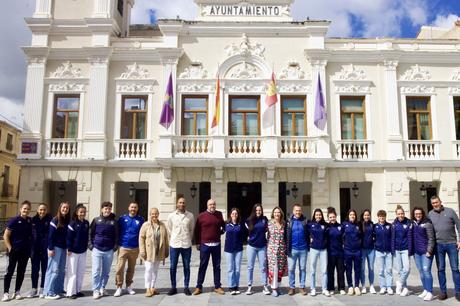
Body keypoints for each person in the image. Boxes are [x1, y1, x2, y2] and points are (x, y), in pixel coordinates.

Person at [428, 195, 460, 301]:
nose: (435, 204)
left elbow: (458, 225)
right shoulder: (430, 214)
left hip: (452, 244)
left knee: (455, 269)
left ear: (440, 201)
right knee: (441, 269)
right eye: (433, 203)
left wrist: (459, 240)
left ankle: (458, 292)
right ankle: (443, 292)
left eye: (436, 202)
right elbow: (428, 230)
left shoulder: (450, 211)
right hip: (438, 245)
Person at [193, 199, 225, 295]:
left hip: (216, 244)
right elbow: (197, 230)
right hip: (205, 245)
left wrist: (221, 232)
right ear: (207, 205)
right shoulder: (201, 216)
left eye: (214, 204)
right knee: (203, 265)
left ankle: (217, 286)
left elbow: (223, 226)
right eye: (210, 204)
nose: (212, 205)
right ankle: (199, 286)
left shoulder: (219, 214)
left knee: (217, 266)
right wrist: (198, 243)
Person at [2, 201, 33, 302]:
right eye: (24, 208)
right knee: (9, 272)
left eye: (28, 209)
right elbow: (6, 235)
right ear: (21, 209)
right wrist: (10, 248)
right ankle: (6, 293)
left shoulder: (29, 221)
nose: (26, 210)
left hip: (24, 251)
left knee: (21, 272)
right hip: (13, 251)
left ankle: (17, 292)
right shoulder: (14, 220)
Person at [114, 202, 145, 297]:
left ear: (137, 208)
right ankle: (119, 287)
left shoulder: (141, 220)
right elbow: (117, 230)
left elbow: (142, 234)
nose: (133, 209)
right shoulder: (122, 219)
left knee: (131, 268)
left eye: (135, 207)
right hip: (123, 246)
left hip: (135, 248)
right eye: (132, 207)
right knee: (119, 268)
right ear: (128, 208)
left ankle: (128, 286)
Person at [89, 201, 119, 299]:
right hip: (97, 249)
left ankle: (102, 287)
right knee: (96, 271)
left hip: (109, 250)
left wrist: (115, 246)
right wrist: (90, 245)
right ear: (102, 209)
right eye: (106, 208)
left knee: (106, 271)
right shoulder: (96, 220)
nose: (107, 210)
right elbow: (90, 233)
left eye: (109, 209)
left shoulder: (114, 222)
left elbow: (117, 235)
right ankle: (96, 290)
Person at [166, 195, 195, 296]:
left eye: (183, 202)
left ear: (185, 204)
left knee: (186, 266)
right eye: (180, 202)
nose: (182, 204)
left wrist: (187, 238)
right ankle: (173, 287)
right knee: (173, 267)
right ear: (177, 204)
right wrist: (174, 237)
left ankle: (186, 287)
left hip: (186, 245)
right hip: (174, 244)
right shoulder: (171, 216)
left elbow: (191, 230)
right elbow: (169, 229)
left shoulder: (190, 216)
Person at [139, 208, 169, 297]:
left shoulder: (162, 225)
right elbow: (141, 238)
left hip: (159, 252)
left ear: (158, 214)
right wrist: (142, 251)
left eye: (156, 213)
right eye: (152, 214)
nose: (154, 215)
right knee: (148, 269)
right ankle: (147, 288)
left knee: (155, 270)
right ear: (150, 214)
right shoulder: (145, 225)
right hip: (149, 252)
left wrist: (166, 251)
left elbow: (166, 239)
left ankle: (152, 287)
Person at [43, 201, 70, 300]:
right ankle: (48, 292)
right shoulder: (55, 220)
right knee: (52, 270)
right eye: (63, 207)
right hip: (55, 248)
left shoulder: (66, 220)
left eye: (67, 208)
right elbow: (50, 235)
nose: (65, 209)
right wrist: (50, 248)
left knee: (61, 270)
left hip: (63, 248)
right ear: (60, 208)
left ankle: (58, 289)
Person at [27, 203, 52, 298]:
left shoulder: (50, 220)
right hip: (35, 250)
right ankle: (34, 289)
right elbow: (29, 235)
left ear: (47, 210)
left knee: (45, 270)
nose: (42, 211)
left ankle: (42, 288)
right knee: (34, 270)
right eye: (40, 210)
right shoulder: (33, 220)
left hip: (45, 250)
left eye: (44, 210)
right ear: (37, 210)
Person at [245, 203, 270, 295]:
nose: (258, 212)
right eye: (256, 210)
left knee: (263, 267)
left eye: (260, 210)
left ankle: (265, 286)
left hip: (262, 246)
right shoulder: (249, 220)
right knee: (250, 267)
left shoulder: (265, 220)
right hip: (251, 246)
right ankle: (249, 286)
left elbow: (268, 230)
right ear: (254, 211)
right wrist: (247, 238)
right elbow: (245, 231)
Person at [66, 204, 89, 299]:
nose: (82, 213)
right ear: (76, 212)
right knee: (72, 273)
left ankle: (78, 290)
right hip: (73, 252)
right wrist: (69, 248)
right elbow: (69, 237)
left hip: (83, 251)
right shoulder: (72, 223)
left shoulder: (86, 223)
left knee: (80, 271)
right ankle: (70, 292)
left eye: (84, 212)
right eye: (81, 212)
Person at [412, 206, 435, 301]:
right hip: (417, 252)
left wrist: (429, 250)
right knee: (421, 272)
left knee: (426, 270)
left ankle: (430, 292)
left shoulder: (427, 224)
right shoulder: (413, 224)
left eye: (419, 213)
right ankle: (425, 289)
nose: (418, 215)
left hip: (426, 252)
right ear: (414, 215)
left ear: (422, 214)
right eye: (416, 214)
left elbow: (431, 238)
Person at [286, 204, 309, 296]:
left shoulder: (305, 221)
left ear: (301, 211)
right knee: (291, 269)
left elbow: (309, 232)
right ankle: (292, 287)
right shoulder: (289, 221)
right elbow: (285, 235)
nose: (298, 212)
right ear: (293, 211)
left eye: (299, 210)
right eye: (296, 210)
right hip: (293, 249)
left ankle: (302, 287)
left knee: (302, 268)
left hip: (303, 249)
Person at [391, 205, 413, 297]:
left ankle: (399, 283)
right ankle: (405, 288)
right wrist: (392, 249)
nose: (401, 215)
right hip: (396, 249)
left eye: (402, 213)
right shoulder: (393, 224)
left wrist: (410, 249)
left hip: (405, 249)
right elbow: (392, 238)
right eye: (399, 214)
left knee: (407, 269)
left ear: (404, 214)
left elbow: (410, 237)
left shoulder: (408, 223)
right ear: (396, 214)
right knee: (400, 270)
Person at [308, 208, 329, 297]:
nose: (318, 216)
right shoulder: (310, 224)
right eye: (316, 215)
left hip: (323, 250)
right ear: (314, 215)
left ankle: (324, 289)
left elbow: (329, 236)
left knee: (324, 270)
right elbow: (306, 233)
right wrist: (309, 240)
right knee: (312, 270)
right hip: (313, 249)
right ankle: (313, 288)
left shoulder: (325, 225)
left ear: (322, 216)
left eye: (320, 215)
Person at [267, 207, 288, 297]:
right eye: (275, 212)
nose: (277, 214)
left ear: (281, 214)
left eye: (278, 212)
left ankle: (278, 287)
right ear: (273, 214)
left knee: (280, 269)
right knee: (273, 269)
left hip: (282, 250)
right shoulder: (269, 224)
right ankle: (273, 288)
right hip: (272, 250)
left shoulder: (284, 223)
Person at [224, 208, 245, 295]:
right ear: (230, 215)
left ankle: (236, 286)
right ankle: (231, 286)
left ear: (238, 215)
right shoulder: (226, 224)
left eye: (236, 214)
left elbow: (244, 235)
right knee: (230, 269)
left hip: (238, 249)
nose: (234, 215)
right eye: (233, 213)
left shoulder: (240, 225)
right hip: (229, 249)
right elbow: (220, 231)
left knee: (237, 269)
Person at [326, 207, 345, 295]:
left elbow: (344, 239)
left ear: (336, 216)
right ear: (328, 218)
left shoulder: (340, 227)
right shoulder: (327, 227)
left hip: (340, 252)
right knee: (330, 271)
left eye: (333, 217)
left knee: (340, 271)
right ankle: (331, 288)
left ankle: (341, 288)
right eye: (330, 217)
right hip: (330, 253)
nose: (332, 218)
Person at [343, 209, 362, 296]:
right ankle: (350, 286)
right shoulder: (344, 224)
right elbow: (340, 235)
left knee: (357, 269)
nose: (352, 216)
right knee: (348, 269)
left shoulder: (359, 224)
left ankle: (357, 286)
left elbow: (362, 235)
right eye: (351, 215)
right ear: (348, 216)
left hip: (357, 251)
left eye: (353, 214)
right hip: (348, 251)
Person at [374, 210, 393, 295]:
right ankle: (383, 287)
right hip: (379, 251)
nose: (381, 218)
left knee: (389, 270)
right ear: (378, 217)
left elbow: (392, 237)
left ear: (385, 217)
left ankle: (389, 287)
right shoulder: (375, 226)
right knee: (381, 270)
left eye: (383, 216)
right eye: (380, 216)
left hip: (388, 251)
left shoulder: (389, 226)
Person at [360, 209, 376, 294]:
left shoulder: (372, 224)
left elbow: (375, 235)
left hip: (371, 249)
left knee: (371, 268)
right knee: (362, 269)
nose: (366, 216)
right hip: (362, 249)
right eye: (365, 215)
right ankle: (363, 285)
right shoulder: (360, 224)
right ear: (363, 216)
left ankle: (372, 285)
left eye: (368, 215)